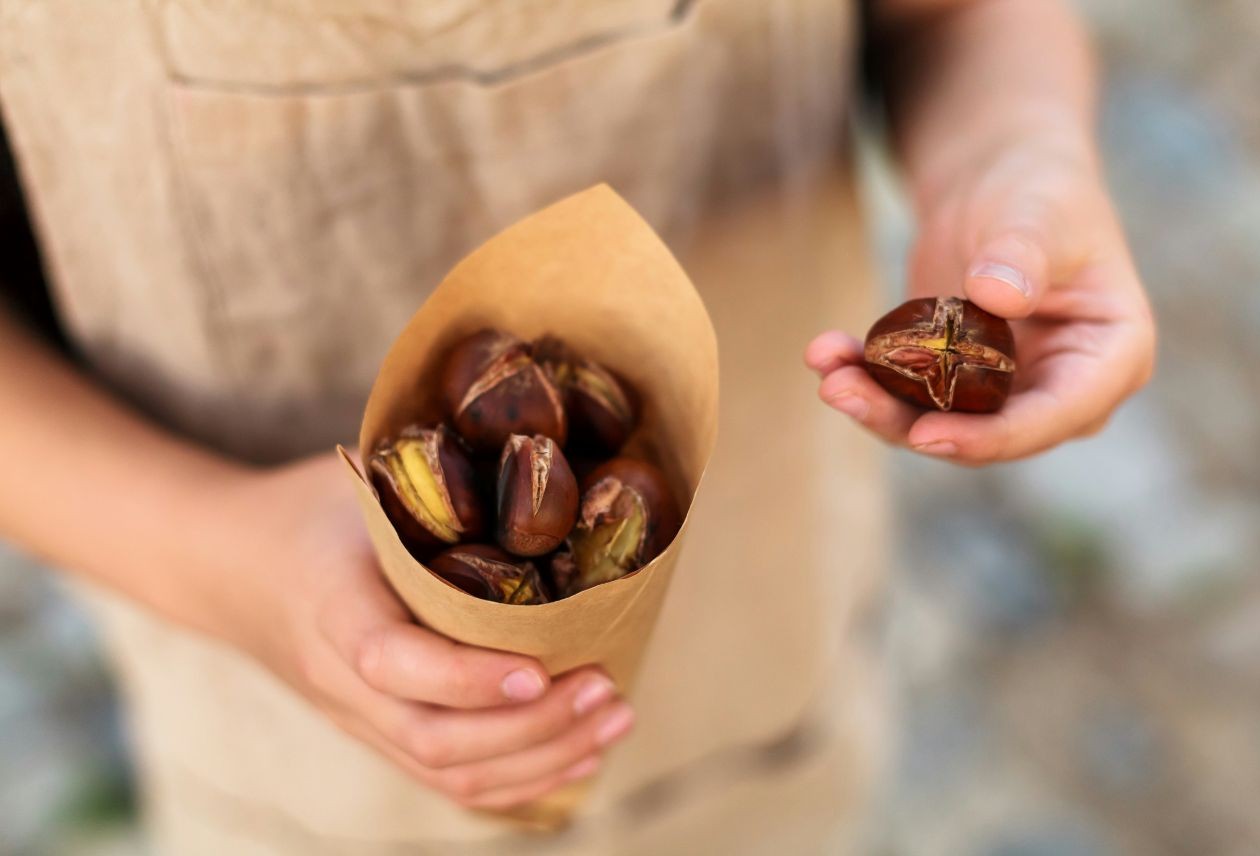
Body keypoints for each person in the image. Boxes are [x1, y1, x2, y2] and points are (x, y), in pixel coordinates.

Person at [0, 1, 1153, 853]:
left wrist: (1012, 152)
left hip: (754, 634)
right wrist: (211, 552)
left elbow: (952, 16)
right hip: (289, 726)